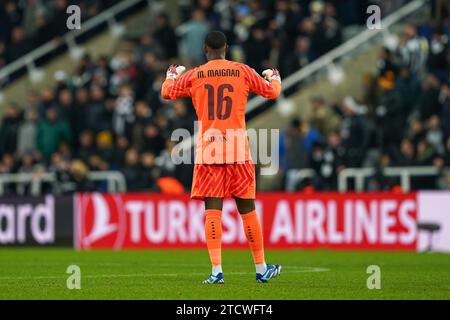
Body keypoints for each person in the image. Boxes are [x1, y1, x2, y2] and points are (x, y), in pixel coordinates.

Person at [161, 31, 282, 284]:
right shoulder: (243, 71)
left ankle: (216, 271)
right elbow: (272, 93)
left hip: (209, 151)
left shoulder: (194, 75)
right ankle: (261, 269)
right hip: (238, 150)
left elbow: (167, 92)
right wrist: (275, 76)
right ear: (226, 48)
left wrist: (172, 74)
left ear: (205, 49)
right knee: (247, 210)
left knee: (212, 211)